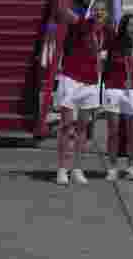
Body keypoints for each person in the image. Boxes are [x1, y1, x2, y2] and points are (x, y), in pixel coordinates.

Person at [54, 12, 104, 186]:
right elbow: (65, 11)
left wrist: (99, 87)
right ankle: (62, 168)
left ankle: (77, 169)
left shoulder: (102, 32)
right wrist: (88, 18)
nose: (101, 15)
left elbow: (98, 59)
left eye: (104, 12)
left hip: (90, 82)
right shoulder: (79, 26)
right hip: (71, 79)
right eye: (98, 12)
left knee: (83, 128)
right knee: (66, 126)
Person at [103, 14, 133, 181]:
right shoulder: (114, 43)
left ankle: (131, 167)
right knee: (114, 131)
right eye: (130, 25)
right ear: (124, 27)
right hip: (115, 89)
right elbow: (106, 64)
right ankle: (112, 167)